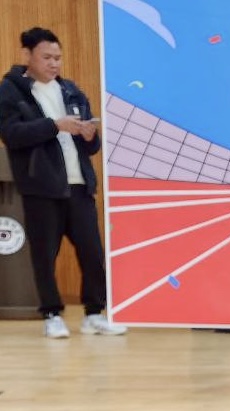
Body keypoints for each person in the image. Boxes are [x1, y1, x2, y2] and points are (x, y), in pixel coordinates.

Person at [0, 27, 125, 338]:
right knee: (45, 255)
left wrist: (90, 135)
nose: (54, 63)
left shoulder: (71, 90)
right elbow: (12, 135)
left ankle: (94, 314)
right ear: (27, 55)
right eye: (47, 57)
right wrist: (54, 125)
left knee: (93, 252)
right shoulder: (11, 91)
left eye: (58, 57)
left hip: (79, 185)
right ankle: (52, 315)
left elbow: (92, 147)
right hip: (41, 187)